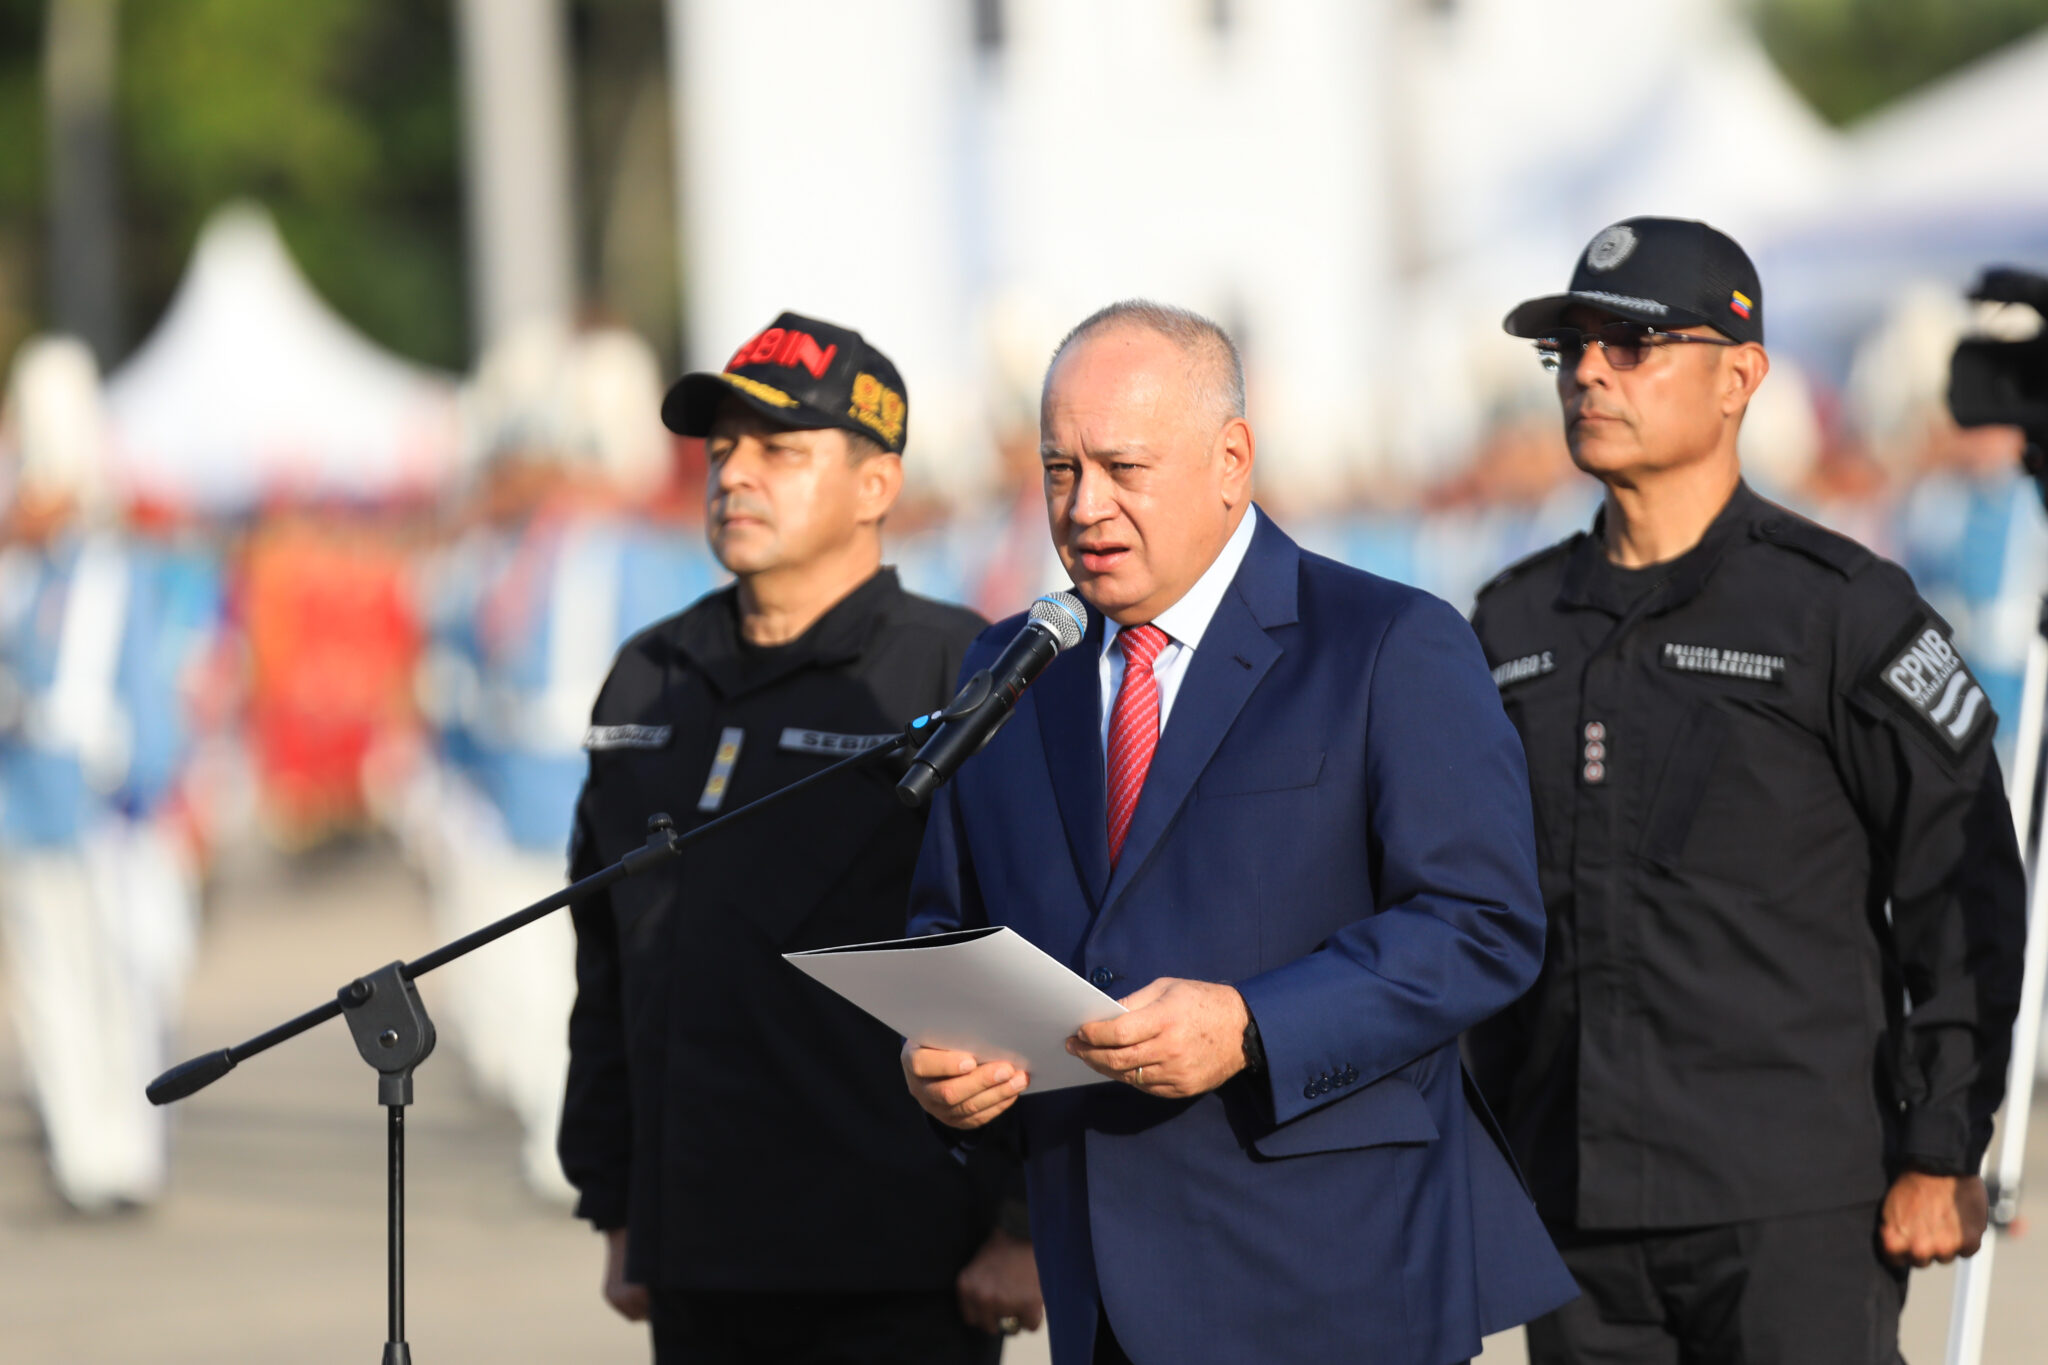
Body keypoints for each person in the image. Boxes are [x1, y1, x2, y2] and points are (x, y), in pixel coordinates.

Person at [901, 300, 1577, 1365]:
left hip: (1331, 1277)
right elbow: (950, 924)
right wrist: (939, 1064)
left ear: (1231, 460)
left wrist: (1253, 1022)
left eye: (1123, 467)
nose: (1084, 507)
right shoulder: (1011, 669)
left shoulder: (1384, 644)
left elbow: (1481, 924)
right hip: (1103, 1292)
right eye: (1059, 469)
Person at [1467, 217, 2029, 1364]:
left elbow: (1959, 881)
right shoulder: (1508, 624)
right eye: (1567, 348)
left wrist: (1940, 1145)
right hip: (1568, 1210)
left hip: (1789, 1210)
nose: (1586, 373)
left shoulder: (1838, 612)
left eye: (1630, 347)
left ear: (1740, 377)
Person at [559, 312, 1041, 1364]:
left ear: (876, 486)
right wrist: (615, 1197)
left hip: (895, 1257)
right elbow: (608, 956)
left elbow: (1024, 950)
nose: (736, 475)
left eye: (779, 451)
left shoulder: (958, 673)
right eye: (722, 449)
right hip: (695, 1248)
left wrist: (1021, 1224)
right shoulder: (651, 673)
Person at [0, 336, 221, 1211]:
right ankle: (82, 1151)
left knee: (119, 986)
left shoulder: (118, 578)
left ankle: (129, 1151)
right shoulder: (21, 584)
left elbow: (148, 701)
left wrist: (149, 790)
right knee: (52, 986)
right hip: (27, 808)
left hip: (103, 811)